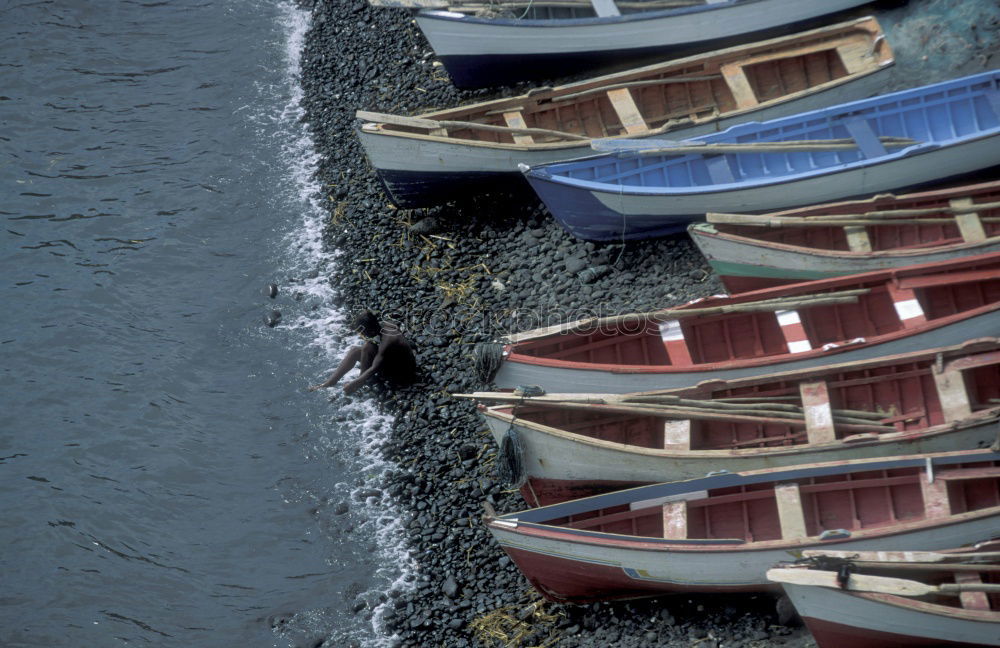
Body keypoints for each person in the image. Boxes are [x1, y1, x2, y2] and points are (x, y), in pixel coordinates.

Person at [309, 310, 416, 395]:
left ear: (370, 330)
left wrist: (351, 384)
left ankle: (359, 383)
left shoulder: (387, 342)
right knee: (357, 350)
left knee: (366, 347)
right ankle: (330, 382)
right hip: (393, 360)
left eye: (364, 333)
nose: (363, 336)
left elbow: (374, 368)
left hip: (402, 372)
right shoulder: (384, 326)